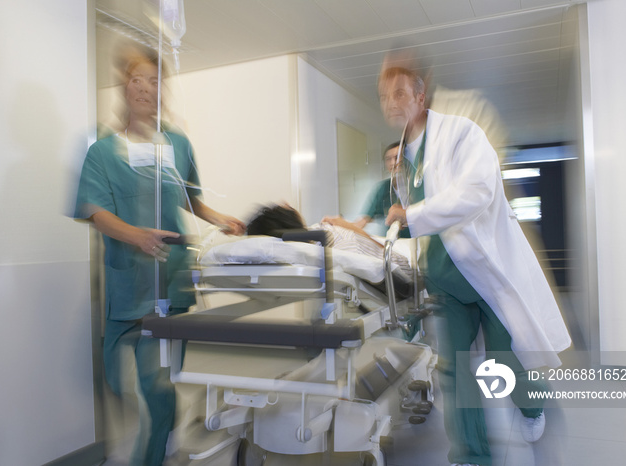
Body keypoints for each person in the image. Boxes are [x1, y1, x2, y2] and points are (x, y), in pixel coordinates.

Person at [379, 65, 571, 466]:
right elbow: (411, 222)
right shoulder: (404, 161)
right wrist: (399, 228)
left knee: (504, 360)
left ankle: (532, 407)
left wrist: (412, 215)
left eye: (399, 93)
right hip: (446, 281)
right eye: (384, 96)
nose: (391, 103)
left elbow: (478, 191)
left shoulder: (461, 133)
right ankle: (472, 456)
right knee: (456, 372)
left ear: (420, 97)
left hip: (487, 275)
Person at [74, 46, 244, 466]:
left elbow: (192, 199)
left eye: (154, 81)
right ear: (124, 87)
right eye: (137, 80)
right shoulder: (103, 151)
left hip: (171, 282)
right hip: (125, 283)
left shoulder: (178, 144)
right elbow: (94, 210)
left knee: (157, 383)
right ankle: (159, 427)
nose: (146, 89)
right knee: (117, 381)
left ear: (162, 90)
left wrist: (221, 218)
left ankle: (153, 449)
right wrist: (135, 236)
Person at [246, 204, 412, 275]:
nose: (288, 204)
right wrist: (346, 225)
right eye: (285, 208)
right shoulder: (341, 242)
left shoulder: (317, 233)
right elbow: (397, 263)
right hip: (402, 267)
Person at [354, 142, 411, 238]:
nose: (393, 163)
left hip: (418, 245)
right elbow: (362, 221)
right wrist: (340, 226)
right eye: (388, 159)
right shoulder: (382, 189)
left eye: (397, 157)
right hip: (393, 245)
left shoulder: (417, 186)